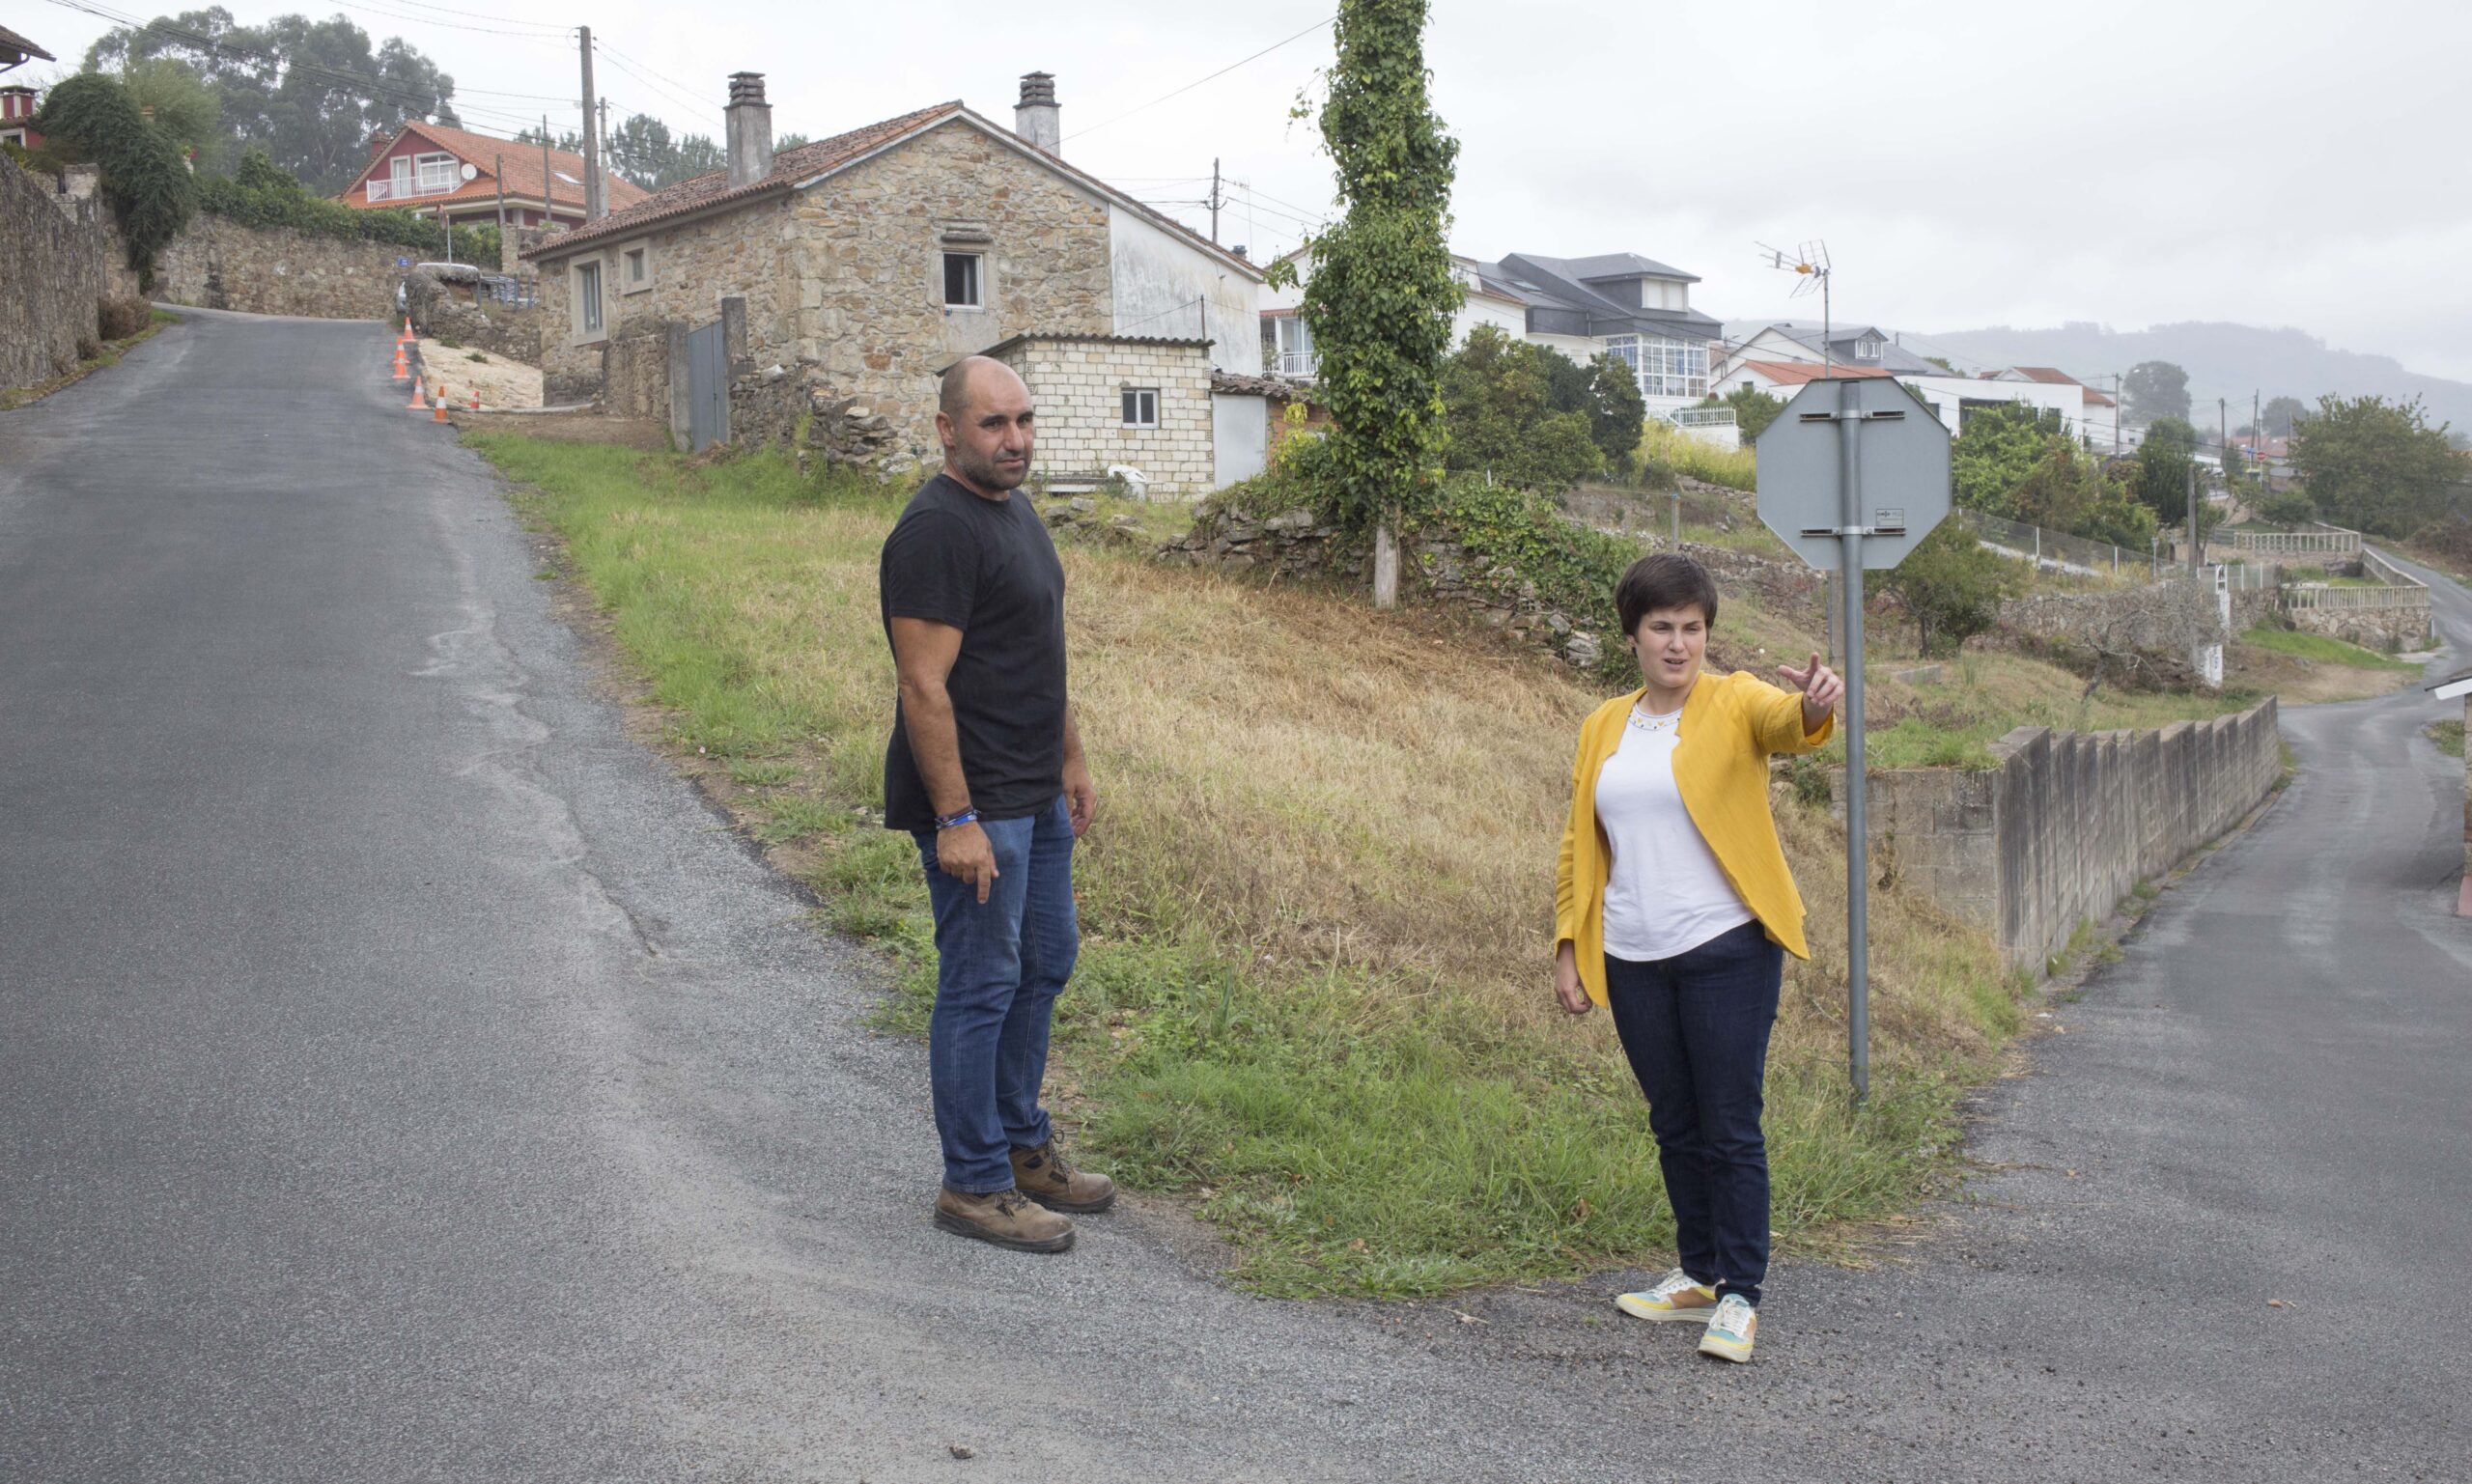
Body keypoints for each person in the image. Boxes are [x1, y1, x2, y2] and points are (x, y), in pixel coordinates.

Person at [1551, 552, 1842, 1363]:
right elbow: (1580, 841)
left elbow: (1791, 725)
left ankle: (1741, 1294)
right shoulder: (1603, 724)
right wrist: (1569, 945)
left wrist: (1814, 706)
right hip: (1634, 955)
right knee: (1674, 1122)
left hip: (1725, 950)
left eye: (1692, 629)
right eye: (1662, 628)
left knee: (1729, 1124)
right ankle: (1699, 1274)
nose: (1679, 645)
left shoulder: (1735, 698)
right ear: (1634, 637)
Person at [878, 354, 1110, 1254]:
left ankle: (1020, 1147)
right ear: (946, 429)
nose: (1014, 441)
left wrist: (1072, 755)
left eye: (1023, 421)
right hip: (979, 805)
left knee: (1044, 963)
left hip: (1034, 791)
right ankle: (972, 1181)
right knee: (981, 983)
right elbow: (922, 687)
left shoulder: (1016, 513)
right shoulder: (934, 532)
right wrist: (957, 820)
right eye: (992, 424)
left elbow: (1036, 650)